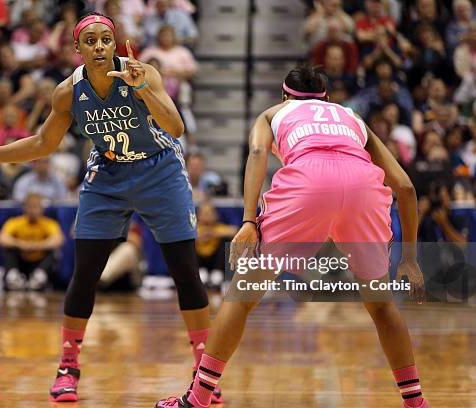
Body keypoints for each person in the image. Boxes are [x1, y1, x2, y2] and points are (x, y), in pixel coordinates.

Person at [0, 12, 218, 403]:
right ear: (77, 49)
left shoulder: (141, 72)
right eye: (89, 41)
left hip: (159, 171)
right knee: (86, 272)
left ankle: (203, 372)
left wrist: (144, 88)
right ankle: (68, 366)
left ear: (114, 44)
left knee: (185, 271)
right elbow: (43, 143)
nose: (98, 47)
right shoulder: (67, 92)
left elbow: (176, 128)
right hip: (107, 173)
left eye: (105, 40)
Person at [156, 65, 428, 408]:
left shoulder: (273, 113)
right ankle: (416, 402)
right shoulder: (351, 117)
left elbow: (256, 154)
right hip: (363, 186)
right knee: (381, 305)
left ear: (285, 96)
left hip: (308, 183)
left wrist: (248, 221)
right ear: (327, 99)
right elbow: (404, 186)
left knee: (242, 296)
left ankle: (197, 399)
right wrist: (410, 260)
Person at [0, 193, 64, 290]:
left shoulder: (49, 223)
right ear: (24, 208)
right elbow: (1, 238)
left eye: (35, 207)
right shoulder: (15, 222)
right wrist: (21, 244)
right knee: (8, 250)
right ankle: (13, 277)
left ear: (41, 208)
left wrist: (37, 246)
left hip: (38, 261)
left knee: (53, 253)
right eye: (29, 207)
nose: (32, 211)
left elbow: (58, 240)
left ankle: (39, 277)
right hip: (21, 261)